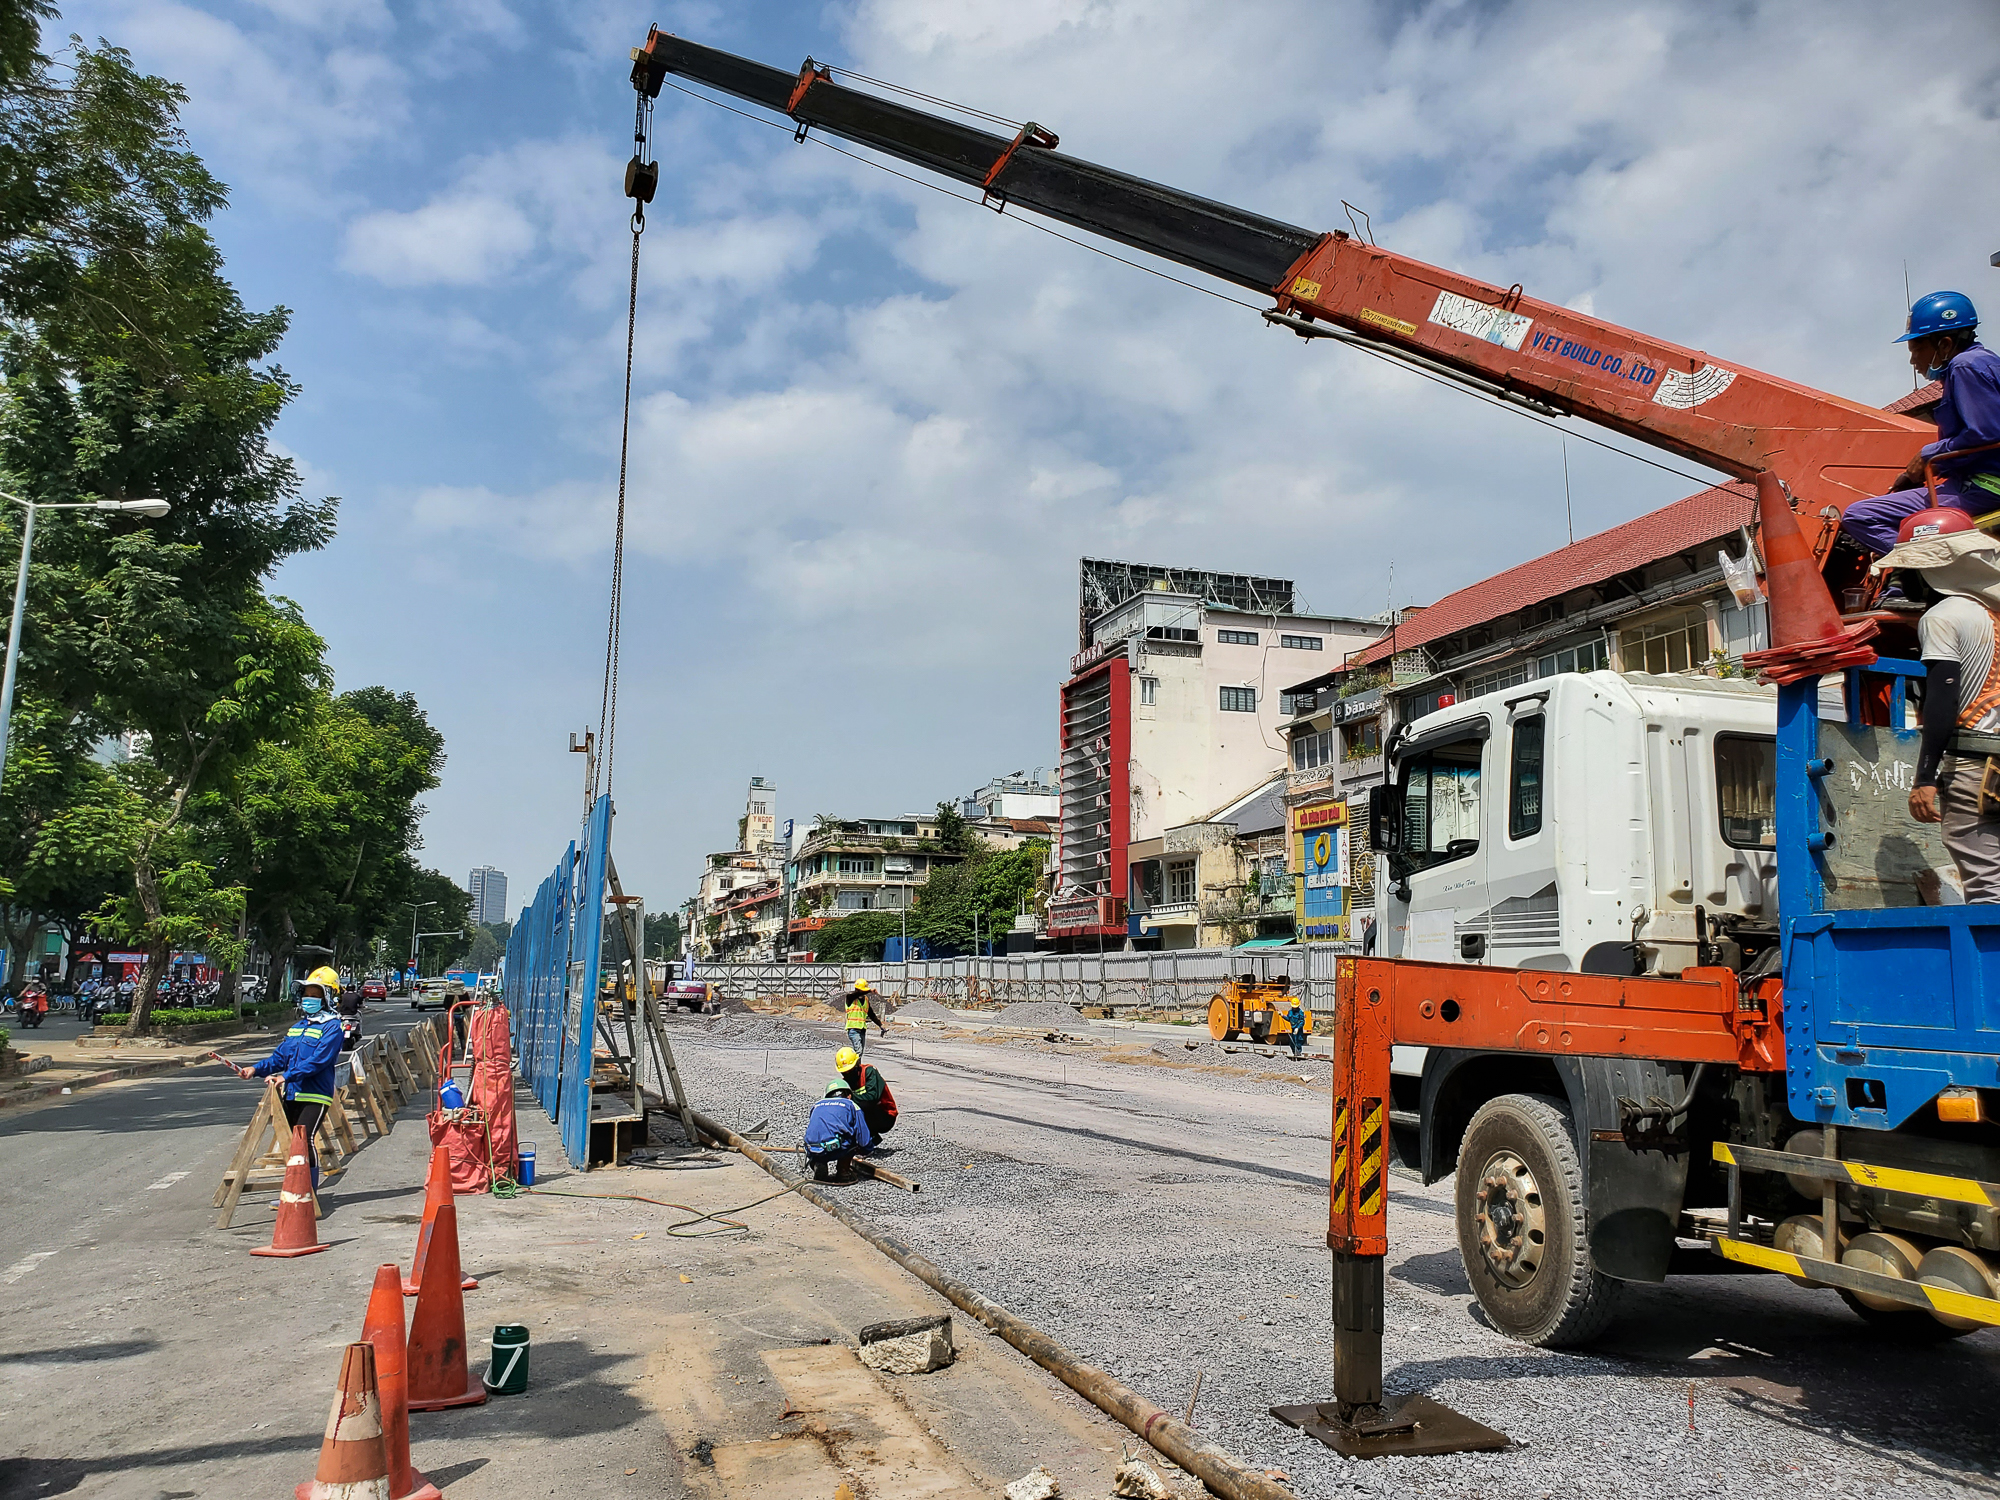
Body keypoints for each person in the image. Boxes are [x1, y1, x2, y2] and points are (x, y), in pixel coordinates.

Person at [1869, 508, 2000, 901]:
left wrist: (1925, 777)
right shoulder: (1992, 616)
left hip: (1975, 766)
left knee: (1986, 881)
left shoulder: (1942, 617)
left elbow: (1942, 697)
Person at [1841, 292, 2000, 562]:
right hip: (1977, 481)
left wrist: (1929, 455)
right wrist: (1926, 469)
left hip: (1985, 487)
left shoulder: (1964, 366)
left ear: (1945, 344)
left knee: (1860, 516)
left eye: (1916, 350)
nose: (1913, 362)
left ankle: (1922, 570)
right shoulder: (1983, 363)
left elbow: (1986, 433)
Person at [229, 966, 347, 1189]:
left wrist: (287, 1076)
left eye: (315, 995)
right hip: (292, 1093)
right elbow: (279, 1058)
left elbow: (319, 1060)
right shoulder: (297, 1027)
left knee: (304, 1140)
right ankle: (294, 1190)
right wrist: (255, 1069)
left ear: (327, 998)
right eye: (306, 994)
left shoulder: (333, 1027)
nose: (308, 999)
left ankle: (307, 1194)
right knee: (292, 1143)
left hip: (315, 1094)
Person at [803, 1078, 874, 1183]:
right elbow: (863, 1138)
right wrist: (867, 1149)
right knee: (852, 1138)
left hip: (811, 1148)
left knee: (823, 1137)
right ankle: (843, 1171)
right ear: (849, 1096)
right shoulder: (851, 1105)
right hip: (835, 1147)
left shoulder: (817, 1105)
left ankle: (818, 1162)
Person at [836, 1045, 897, 1141]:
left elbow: (872, 1097)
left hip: (886, 1115)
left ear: (857, 1064)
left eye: (850, 1071)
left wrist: (851, 1098)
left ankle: (868, 1138)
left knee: (863, 1105)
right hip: (868, 1115)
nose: (848, 1074)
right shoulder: (845, 1082)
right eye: (845, 1072)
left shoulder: (869, 1072)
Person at [843, 979, 886, 1057]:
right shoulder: (850, 998)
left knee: (860, 1052)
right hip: (853, 1029)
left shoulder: (866, 999)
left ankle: (857, 1068)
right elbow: (857, 994)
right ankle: (853, 1068)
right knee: (858, 1051)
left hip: (862, 1029)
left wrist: (880, 1025)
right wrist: (869, 990)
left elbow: (871, 1014)